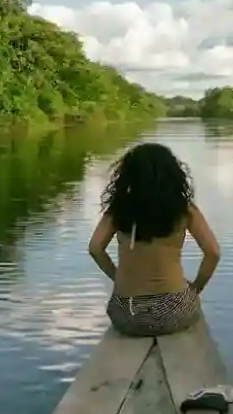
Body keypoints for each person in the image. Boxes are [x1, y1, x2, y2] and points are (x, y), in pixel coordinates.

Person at [87, 142, 221, 337]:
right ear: (172, 173)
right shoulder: (184, 209)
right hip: (175, 312)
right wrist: (195, 288)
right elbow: (213, 252)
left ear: (128, 174)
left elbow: (95, 248)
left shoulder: (119, 209)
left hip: (127, 314)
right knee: (192, 304)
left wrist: (117, 278)